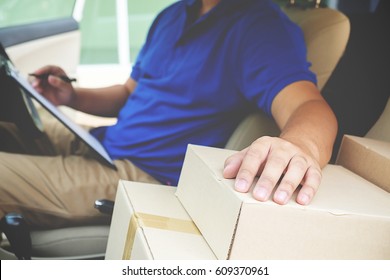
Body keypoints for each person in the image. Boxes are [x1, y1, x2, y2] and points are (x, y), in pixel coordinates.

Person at [0, 0, 337, 229]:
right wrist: (71, 96)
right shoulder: (173, 14)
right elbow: (127, 94)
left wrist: (300, 146)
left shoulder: (261, 27)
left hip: (142, 176)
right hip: (102, 143)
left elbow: (309, 107)